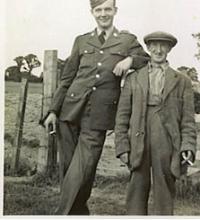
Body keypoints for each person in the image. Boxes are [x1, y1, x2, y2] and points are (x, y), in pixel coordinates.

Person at [43, 0, 149, 215]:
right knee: (70, 169)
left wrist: (130, 60)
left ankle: (61, 214)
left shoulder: (127, 40)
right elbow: (67, 78)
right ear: (92, 12)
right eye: (98, 10)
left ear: (115, 11)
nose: (103, 14)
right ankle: (79, 213)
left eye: (107, 9)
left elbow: (146, 59)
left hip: (99, 114)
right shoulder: (81, 41)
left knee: (83, 168)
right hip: (69, 111)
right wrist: (53, 111)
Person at [115, 31, 197, 215]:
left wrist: (188, 146)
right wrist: (122, 147)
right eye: (154, 45)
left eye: (163, 46)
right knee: (136, 188)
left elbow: (188, 120)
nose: (158, 50)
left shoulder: (182, 81)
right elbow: (122, 116)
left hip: (167, 140)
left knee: (165, 190)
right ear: (148, 48)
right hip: (138, 138)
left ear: (169, 49)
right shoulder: (133, 78)